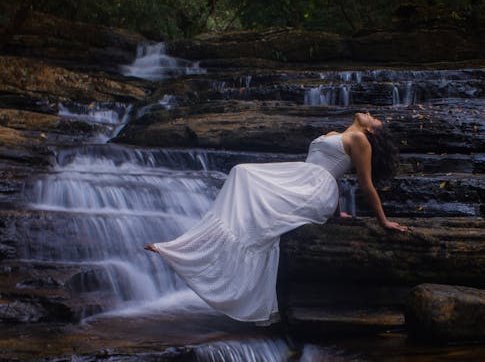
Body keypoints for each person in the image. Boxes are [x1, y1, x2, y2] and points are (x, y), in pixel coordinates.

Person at [145, 112, 407, 324]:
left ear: (371, 130)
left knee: (245, 180)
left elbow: (365, 184)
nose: (370, 114)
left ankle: (192, 248)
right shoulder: (334, 135)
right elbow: (329, 174)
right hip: (302, 181)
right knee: (241, 175)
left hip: (313, 190)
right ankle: (198, 245)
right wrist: (338, 213)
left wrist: (383, 221)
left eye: (375, 119)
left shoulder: (361, 140)